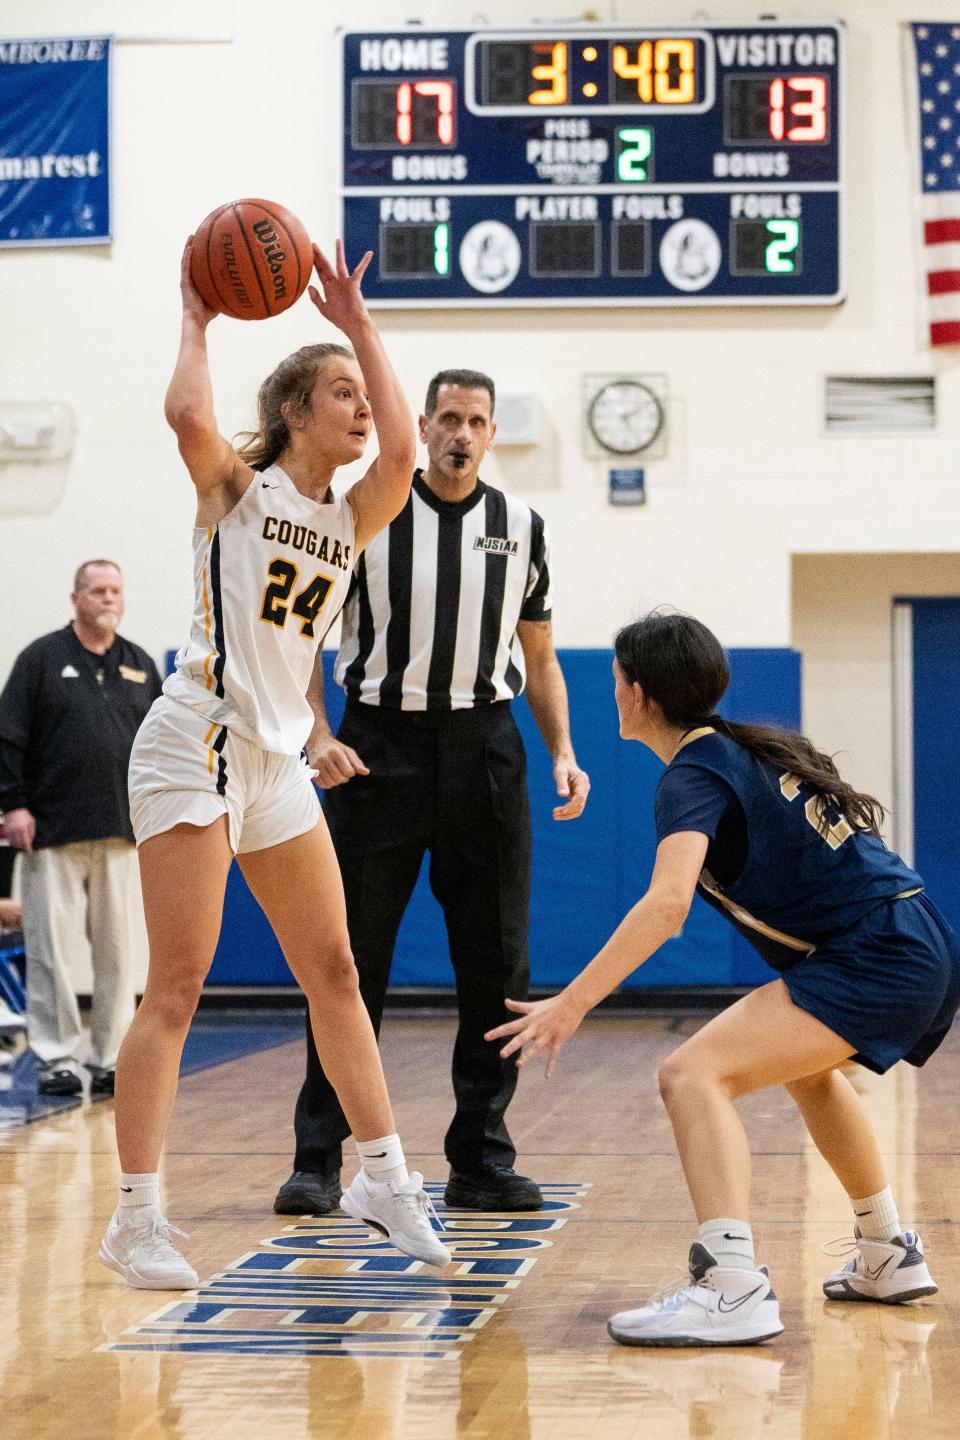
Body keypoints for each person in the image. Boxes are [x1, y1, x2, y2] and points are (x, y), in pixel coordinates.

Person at [98, 237, 452, 1292]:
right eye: (338, 392)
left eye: (359, 394)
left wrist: (362, 330)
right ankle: (135, 1216)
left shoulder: (355, 513)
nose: (360, 407)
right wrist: (198, 322)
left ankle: (383, 1178)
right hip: (195, 737)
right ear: (294, 411)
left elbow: (404, 453)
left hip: (273, 758)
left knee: (335, 971)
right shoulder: (238, 491)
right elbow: (185, 419)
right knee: (177, 984)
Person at [488, 610, 960, 1346]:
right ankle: (886, 1251)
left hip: (879, 951)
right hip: (915, 933)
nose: (611, 694)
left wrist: (571, 1005)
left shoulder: (695, 773)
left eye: (615, 682)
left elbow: (667, 905)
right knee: (809, 1074)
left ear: (638, 694)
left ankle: (731, 1284)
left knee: (691, 1075)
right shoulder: (742, 749)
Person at [274, 368, 590, 1218]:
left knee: (497, 967)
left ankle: (482, 1157)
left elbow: (543, 654)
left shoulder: (522, 526)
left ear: (492, 433)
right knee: (346, 963)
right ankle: (317, 1159)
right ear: (420, 424)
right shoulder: (368, 513)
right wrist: (319, 734)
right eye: (447, 418)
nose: (460, 433)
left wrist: (562, 749)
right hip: (376, 748)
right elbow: (303, 643)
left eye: (475, 421)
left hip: (486, 749)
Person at [0, 561, 162, 1095]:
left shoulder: (138, 663)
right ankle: (56, 1056)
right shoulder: (40, 660)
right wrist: (14, 806)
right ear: (76, 599)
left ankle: (111, 1055)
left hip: (122, 829)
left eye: (115, 590)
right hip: (52, 830)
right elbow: (8, 738)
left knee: (120, 952)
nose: (107, 599)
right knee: (51, 951)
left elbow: (161, 744)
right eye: (97, 591)